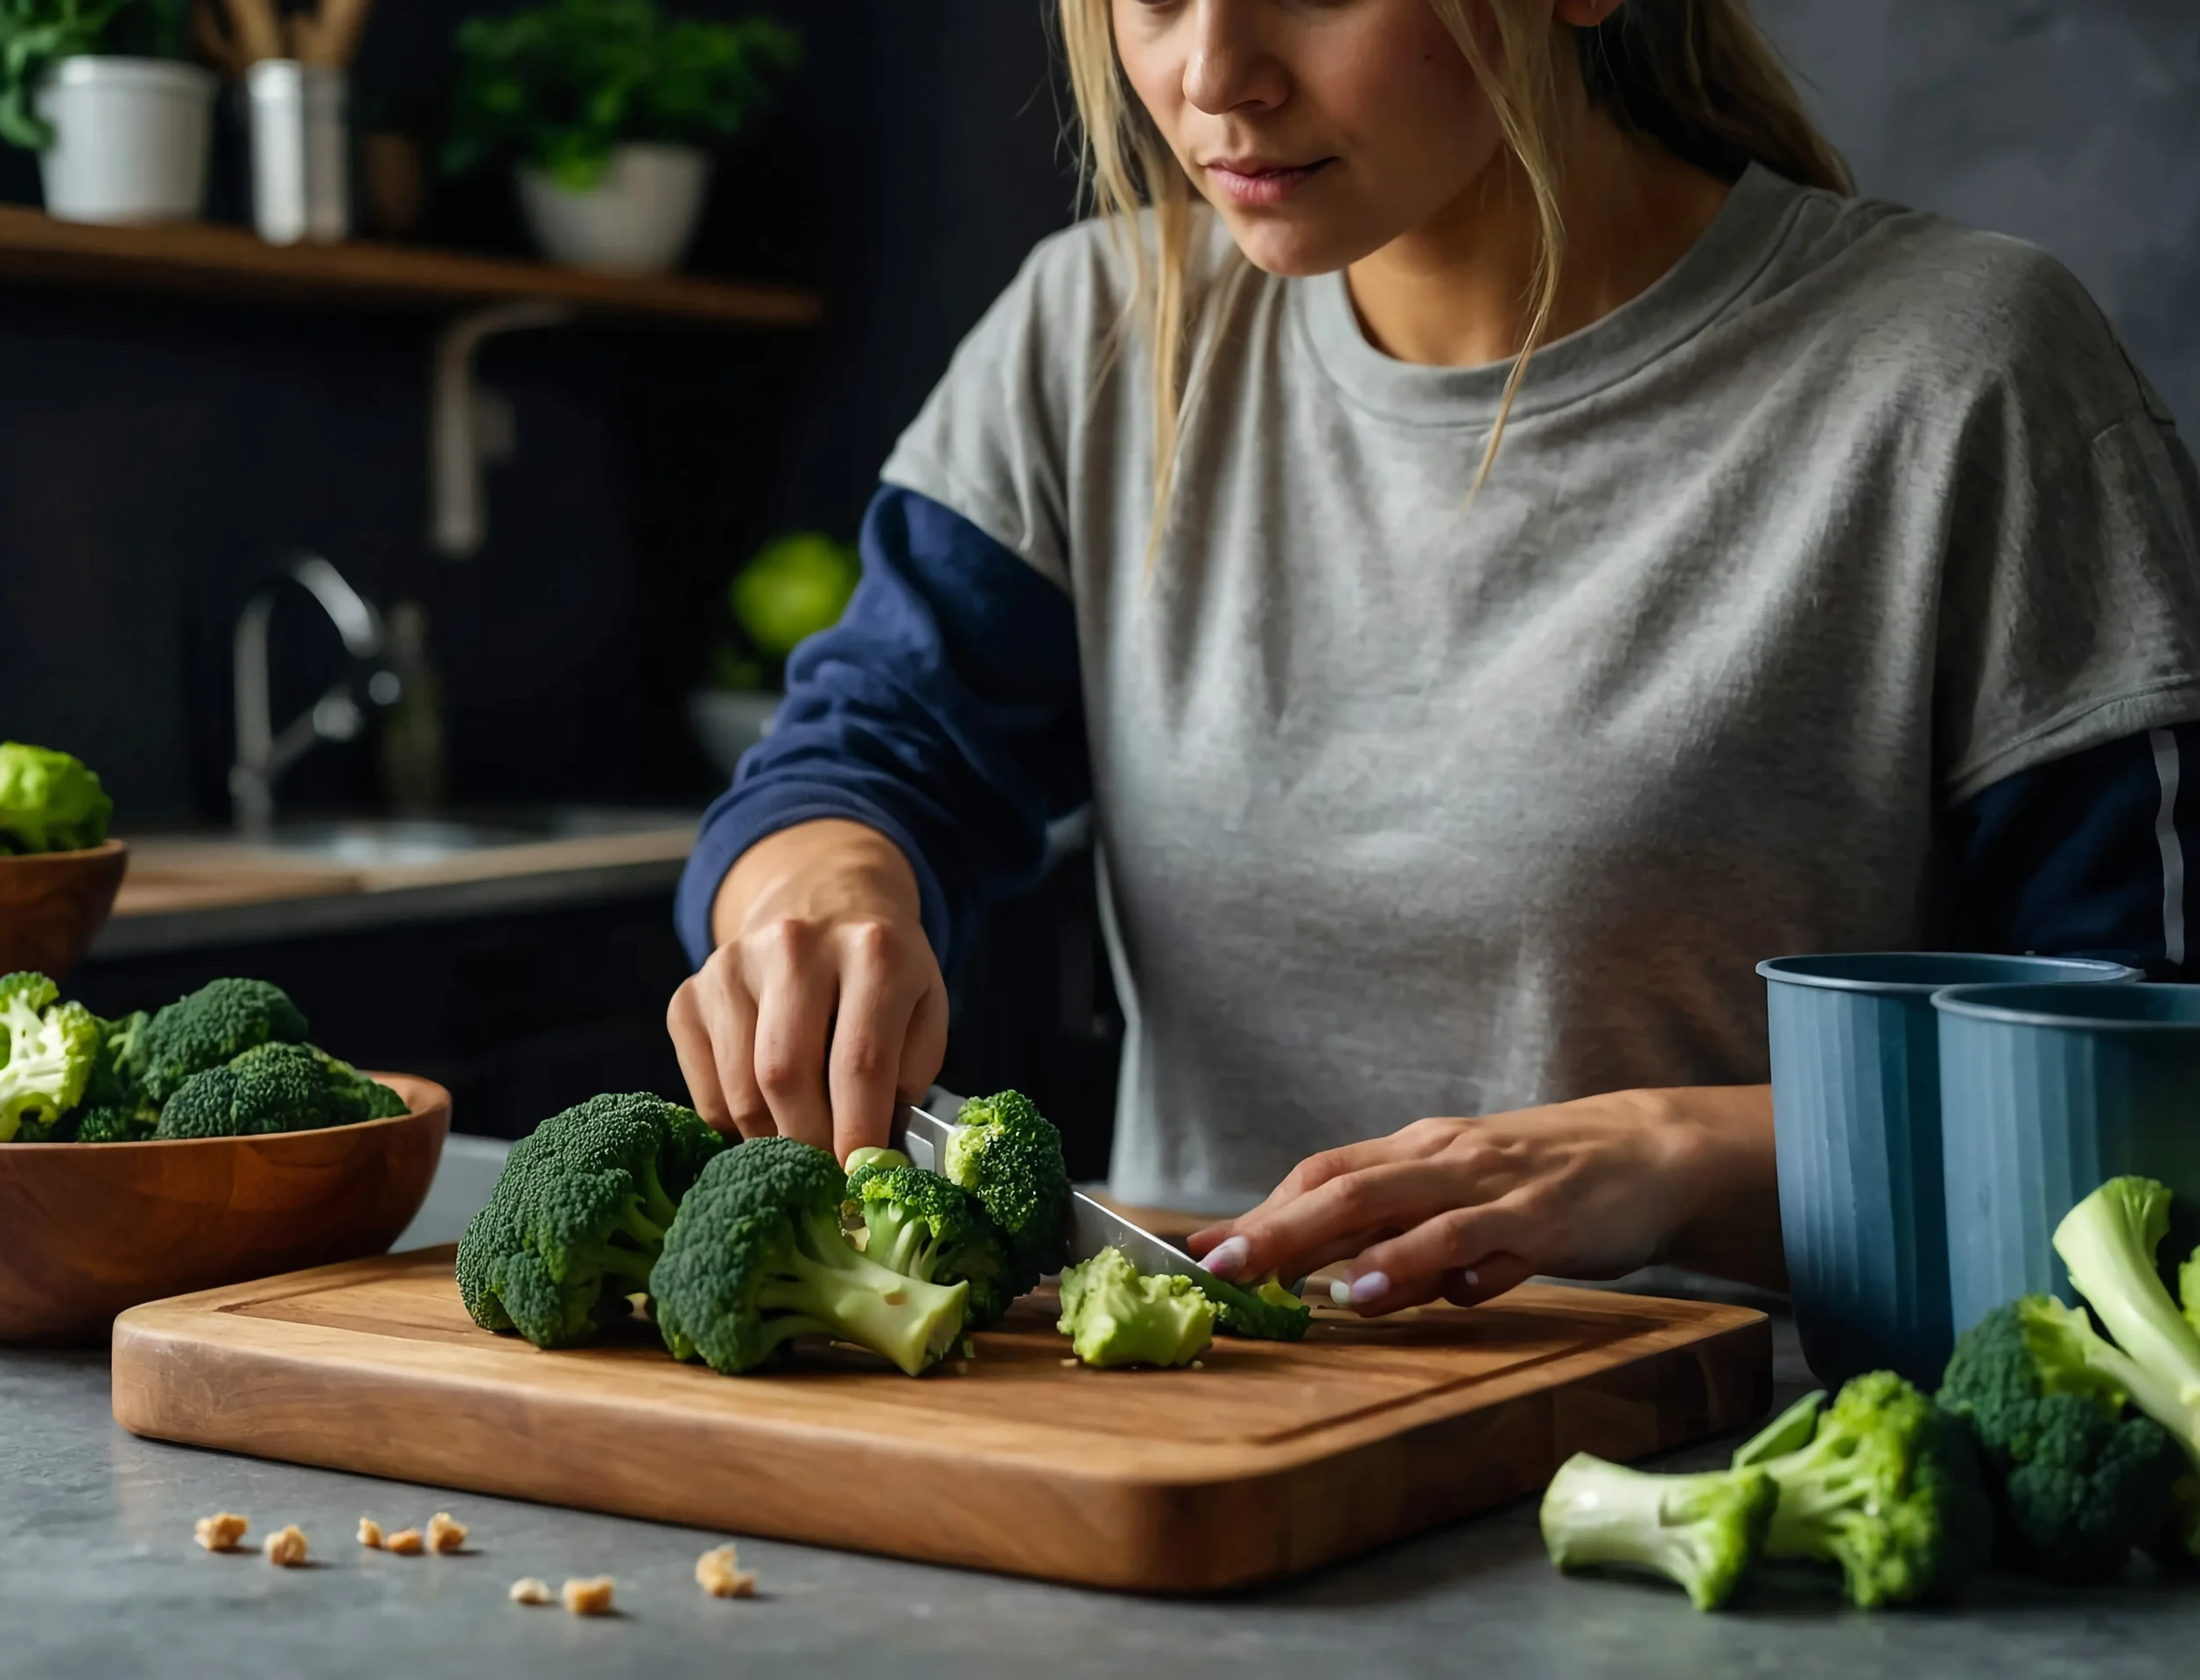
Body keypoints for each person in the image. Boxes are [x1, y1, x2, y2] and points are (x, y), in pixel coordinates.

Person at [668, 0, 2200, 1318]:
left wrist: (1673, 1158)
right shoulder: (1096, 336)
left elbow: (2135, 1104)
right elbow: (868, 758)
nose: (1214, 76)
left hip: (1751, 1484)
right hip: (1221, 1462)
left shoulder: (1971, 376)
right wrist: (821, 897)